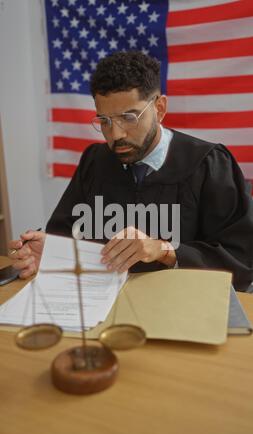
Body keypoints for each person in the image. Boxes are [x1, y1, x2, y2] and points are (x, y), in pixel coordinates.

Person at [9, 51, 253, 291]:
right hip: (104, 308)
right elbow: (68, 235)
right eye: (104, 120)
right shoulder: (95, 161)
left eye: (128, 117)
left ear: (159, 108)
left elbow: (240, 261)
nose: (115, 135)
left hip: (183, 308)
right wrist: (49, 255)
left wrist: (164, 250)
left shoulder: (208, 165)